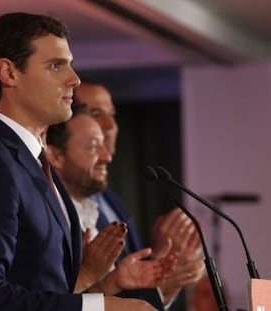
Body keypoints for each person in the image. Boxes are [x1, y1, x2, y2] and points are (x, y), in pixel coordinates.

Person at [0, 12, 156, 311]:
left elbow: (41, 285)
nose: (74, 79)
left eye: (69, 64)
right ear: (8, 73)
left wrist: (100, 285)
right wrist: (100, 308)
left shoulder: (29, 157)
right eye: (56, 66)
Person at [73, 78, 205, 306]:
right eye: (95, 113)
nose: (109, 125)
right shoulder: (56, 208)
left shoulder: (110, 200)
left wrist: (160, 262)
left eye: (112, 114)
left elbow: (129, 293)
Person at [46, 105, 177, 310]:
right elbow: (45, 301)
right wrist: (88, 274)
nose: (107, 156)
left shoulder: (97, 212)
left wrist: (115, 281)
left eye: (104, 145)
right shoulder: (48, 220)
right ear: (55, 156)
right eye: (92, 146)